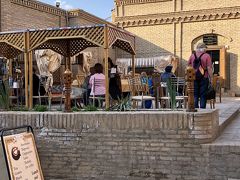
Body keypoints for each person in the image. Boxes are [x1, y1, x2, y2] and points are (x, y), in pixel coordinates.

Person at [188, 42, 213, 109]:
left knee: (195, 94)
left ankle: (195, 108)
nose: (206, 50)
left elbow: (188, 65)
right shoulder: (207, 56)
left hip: (194, 77)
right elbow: (209, 68)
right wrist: (211, 78)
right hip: (204, 77)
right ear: (203, 48)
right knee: (203, 94)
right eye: (205, 49)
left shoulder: (192, 55)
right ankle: (202, 109)